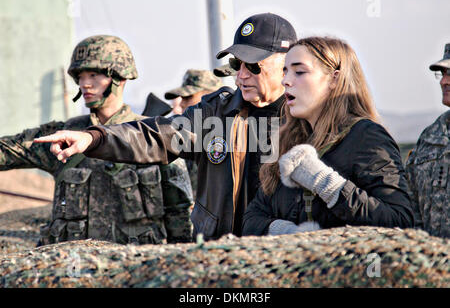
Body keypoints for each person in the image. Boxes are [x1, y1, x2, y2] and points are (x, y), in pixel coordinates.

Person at [34, 13, 298, 240]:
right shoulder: (215, 115)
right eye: (236, 64)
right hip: (224, 256)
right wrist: (94, 139)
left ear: (287, 64)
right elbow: (156, 136)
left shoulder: (311, 120)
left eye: (253, 66)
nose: (241, 75)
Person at [0, 35, 193, 245]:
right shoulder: (64, 135)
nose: (85, 84)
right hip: (73, 267)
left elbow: (179, 213)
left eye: (93, 75)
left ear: (120, 77)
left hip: (135, 267)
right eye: (80, 77)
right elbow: (8, 151)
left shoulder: (154, 136)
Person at [242, 36, 414, 236]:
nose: (285, 81)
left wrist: (326, 183)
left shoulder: (366, 137)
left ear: (334, 79)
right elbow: (251, 219)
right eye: (285, 71)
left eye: (299, 72)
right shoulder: (287, 140)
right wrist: (285, 231)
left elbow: (400, 220)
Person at [405, 43, 450, 238]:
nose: (444, 82)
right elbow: (409, 205)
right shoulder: (430, 137)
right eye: (443, 73)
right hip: (429, 263)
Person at [164, 69, 224, 200]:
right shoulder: (187, 140)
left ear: (211, 97)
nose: (181, 103)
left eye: (188, 97)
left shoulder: (231, 137)